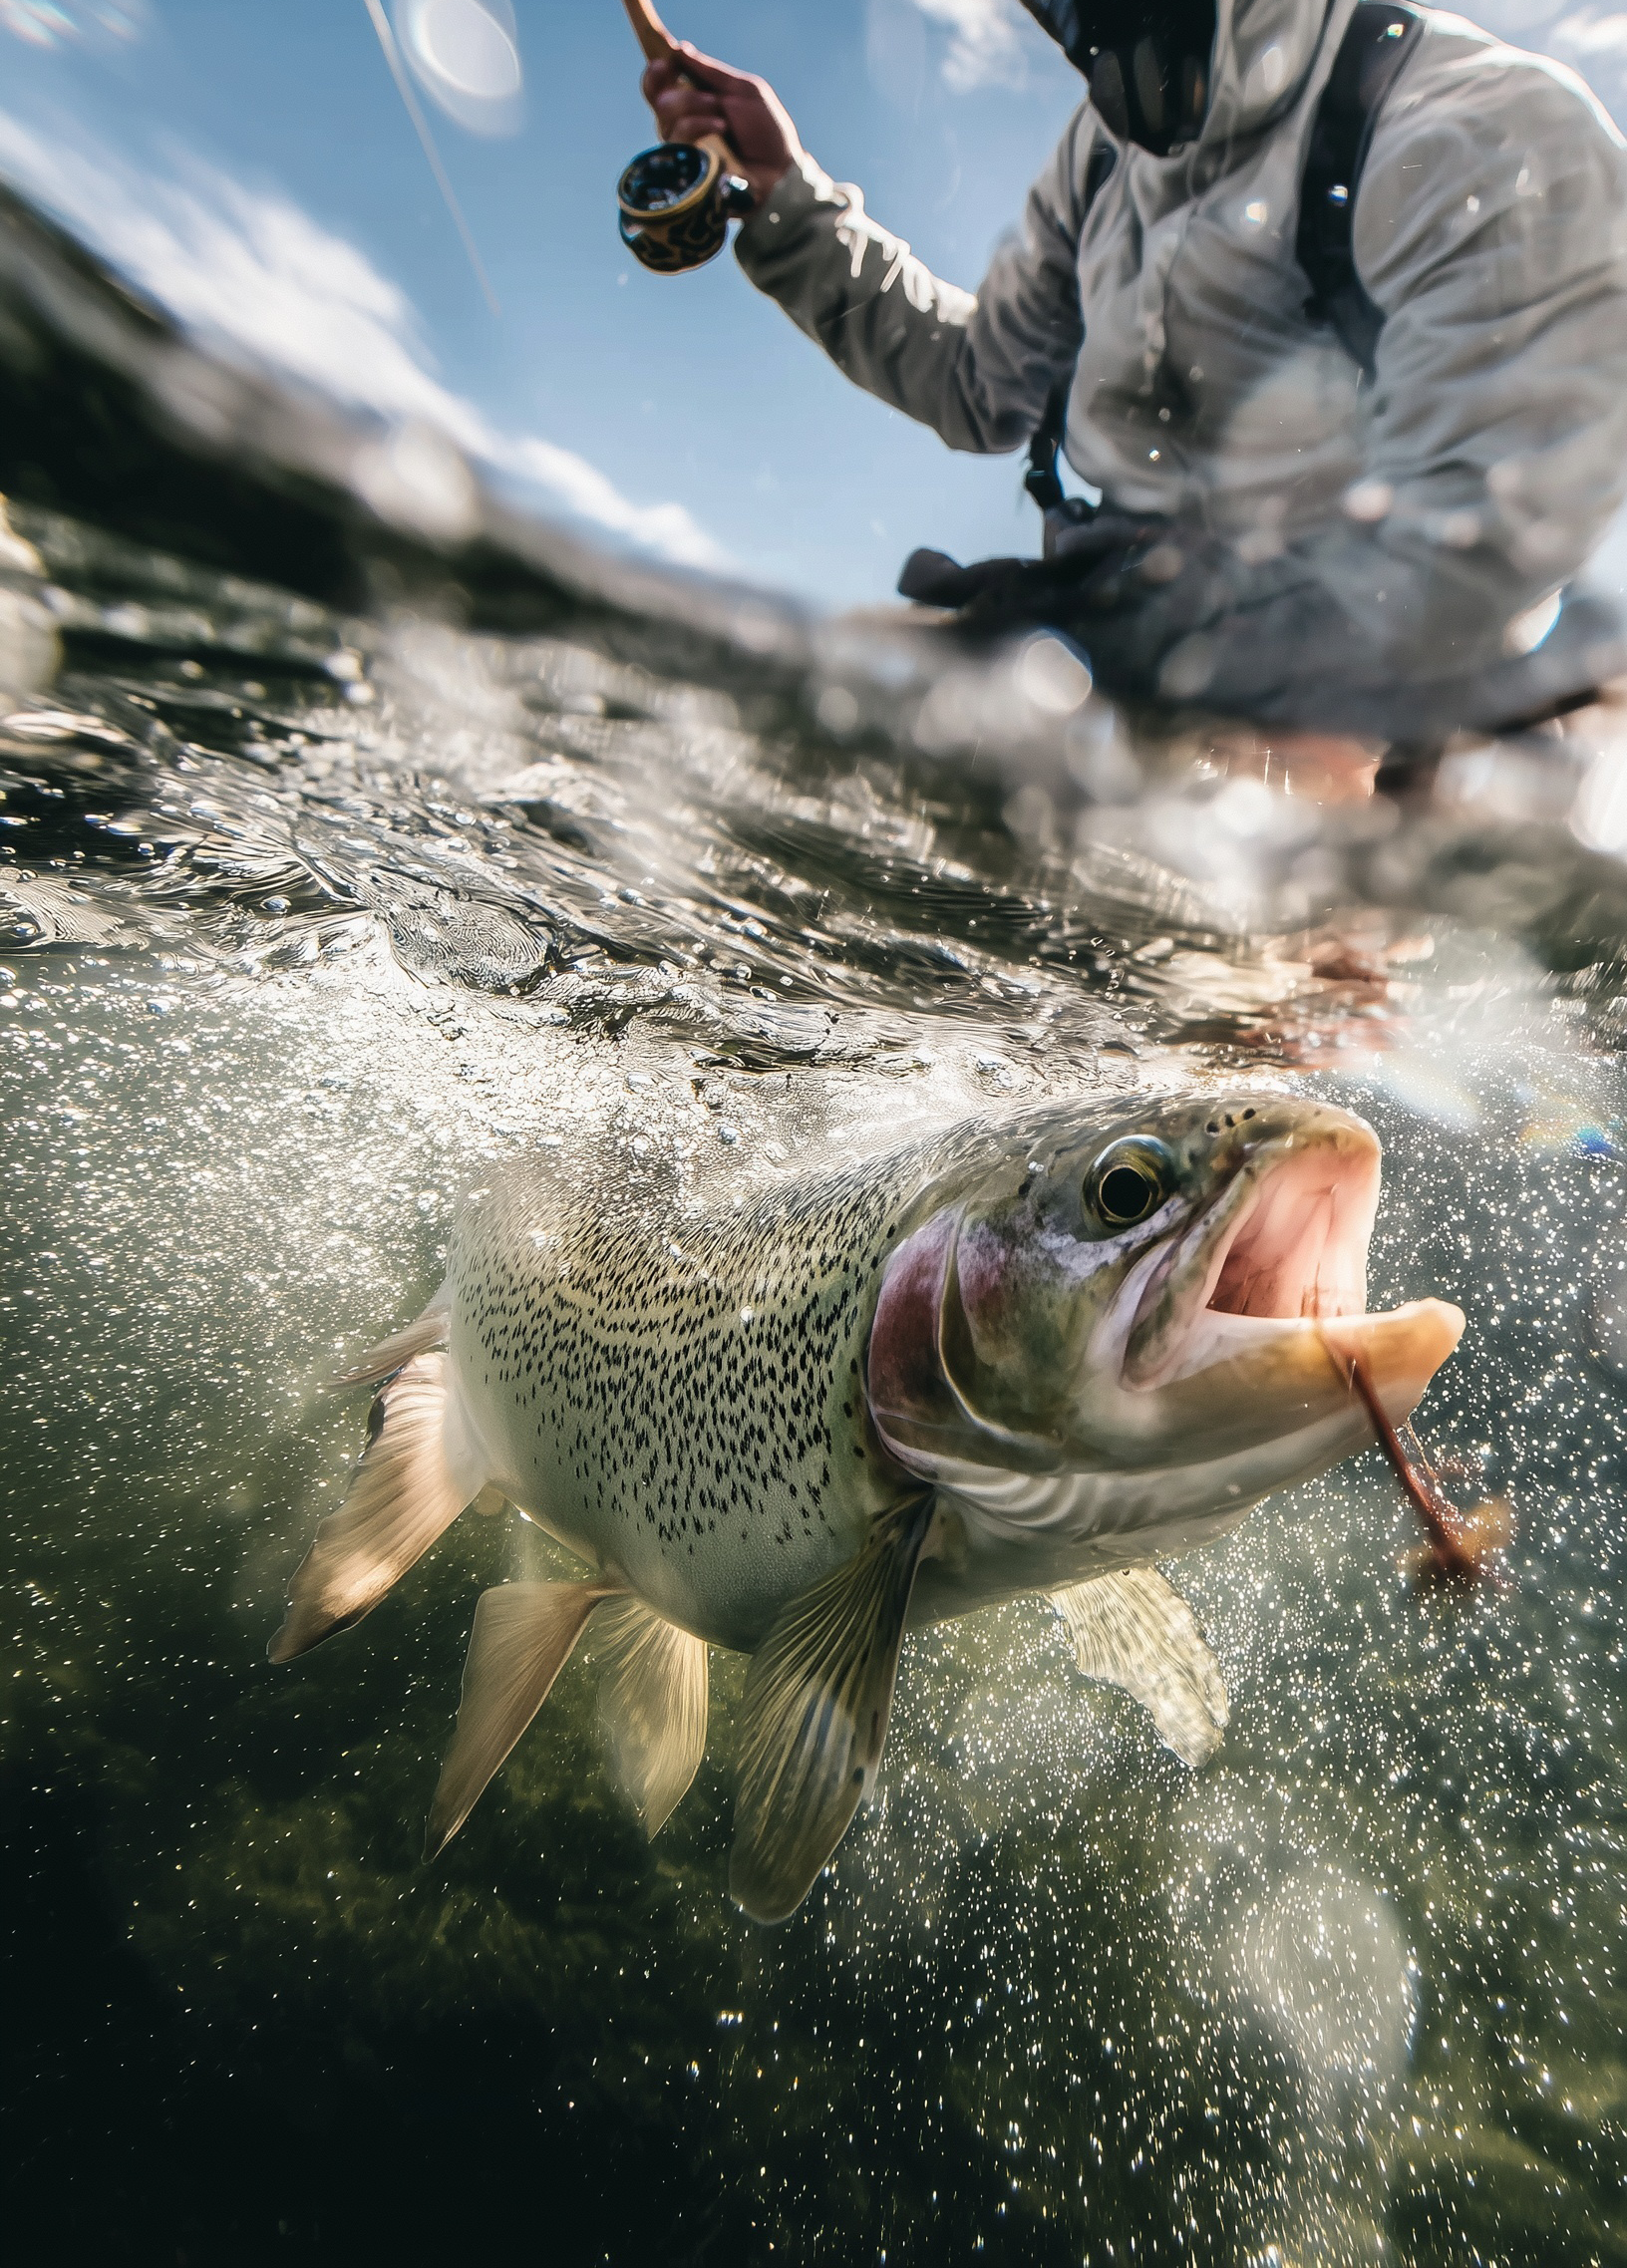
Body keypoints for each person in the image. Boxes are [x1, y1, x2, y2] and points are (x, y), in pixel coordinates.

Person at [642, 1, 1627, 741]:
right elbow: (985, 389)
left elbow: (1482, 552)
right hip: (1104, 700)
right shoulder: (1100, 157)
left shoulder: (1485, 129)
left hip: (1366, 765)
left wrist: (1121, 651)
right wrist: (786, 198)